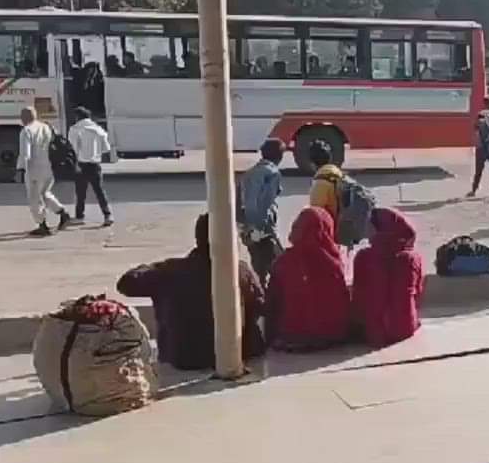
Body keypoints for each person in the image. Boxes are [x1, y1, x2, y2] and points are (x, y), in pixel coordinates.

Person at [117, 214, 267, 372]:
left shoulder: (170, 271)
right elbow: (260, 305)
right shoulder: (241, 271)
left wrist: (148, 268)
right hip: (242, 353)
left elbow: (126, 284)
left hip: (186, 358)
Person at [264, 207, 352, 352]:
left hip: (292, 338)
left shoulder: (284, 262)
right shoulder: (333, 264)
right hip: (331, 337)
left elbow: (272, 304)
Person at [353, 207, 425, 347]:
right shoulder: (412, 257)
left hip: (372, 332)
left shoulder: (364, 257)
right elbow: (418, 293)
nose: (367, 230)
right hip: (405, 327)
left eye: (371, 226)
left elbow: (358, 295)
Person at [16, 106, 71, 237]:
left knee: (34, 198)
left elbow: (25, 153)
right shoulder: (46, 127)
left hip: (34, 169)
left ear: (24, 118)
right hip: (48, 167)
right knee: (45, 193)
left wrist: (20, 169)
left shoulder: (26, 131)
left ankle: (42, 226)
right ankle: (63, 213)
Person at [239, 138, 286, 285]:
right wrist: (264, 229)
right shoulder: (272, 174)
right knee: (279, 266)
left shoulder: (249, 173)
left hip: (247, 227)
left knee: (259, 266)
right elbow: (265, 203)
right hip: (262, 229)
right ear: (280, 156)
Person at [67, 106, 113, 226]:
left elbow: (73, 149)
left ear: (77, 117)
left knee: (81, 193)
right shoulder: (98, 130)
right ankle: (107, 215)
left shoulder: (75, 129)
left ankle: (80, 217)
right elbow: (106, 148)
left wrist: (75, 164)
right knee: (99, 191)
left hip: (81, 164)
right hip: (95, 164)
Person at [308, 140, 344, 222]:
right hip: (343, 222)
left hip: (332, 226)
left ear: (312, 163)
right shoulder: (337, 172)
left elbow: (315, 214)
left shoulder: (321, 182)